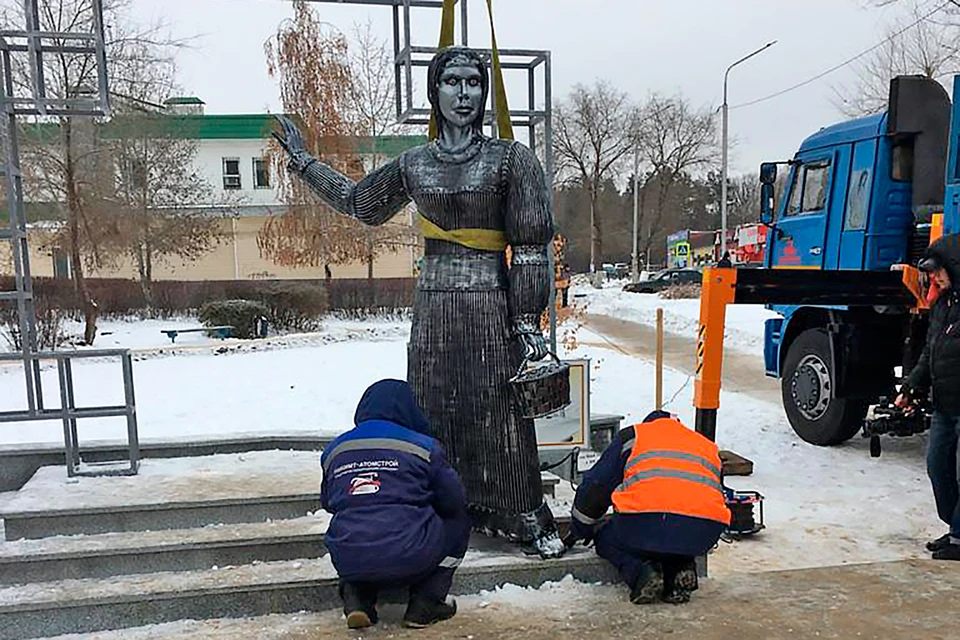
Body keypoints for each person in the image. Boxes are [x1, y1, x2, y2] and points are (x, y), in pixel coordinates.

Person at [275, 46, 564, 558]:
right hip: (432, 307)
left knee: (499, 409)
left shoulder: (510, 160)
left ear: (485, 92)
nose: (463, 93)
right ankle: (432, 505)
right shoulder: (415, 164)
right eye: (452, 82)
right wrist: (303, 164)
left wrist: (526, 320)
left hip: (490, 303)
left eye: (474, 83)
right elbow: (360, 203)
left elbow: (533, 246)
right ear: (435, 91)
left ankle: (521, 511)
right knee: (433, 406)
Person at [320, 379, 471, 629]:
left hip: (348, 559)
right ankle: (427, 602)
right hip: (410, 555)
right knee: (460, 522)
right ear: (409, 408)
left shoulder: (336, 449)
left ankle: (356, 599)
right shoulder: (424, 447)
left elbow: (328, 502)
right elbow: (454, 501)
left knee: (354, 529)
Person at [566, 411, 730, 604]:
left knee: (605, 537)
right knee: (677, 536)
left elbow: (597, 486)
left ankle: (643, 575)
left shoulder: (634, 437)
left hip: (645, 524)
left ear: (648, 423)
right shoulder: (705, 445)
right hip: (704, 531)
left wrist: (580, 528)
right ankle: (680, 570)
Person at [896, 234, 960, 560]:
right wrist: (910, 387)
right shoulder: (944, 306)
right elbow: (929, 351)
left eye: (938, 271)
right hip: (946, 404)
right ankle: (955, 528)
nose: (933, 278)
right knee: (938, 466)